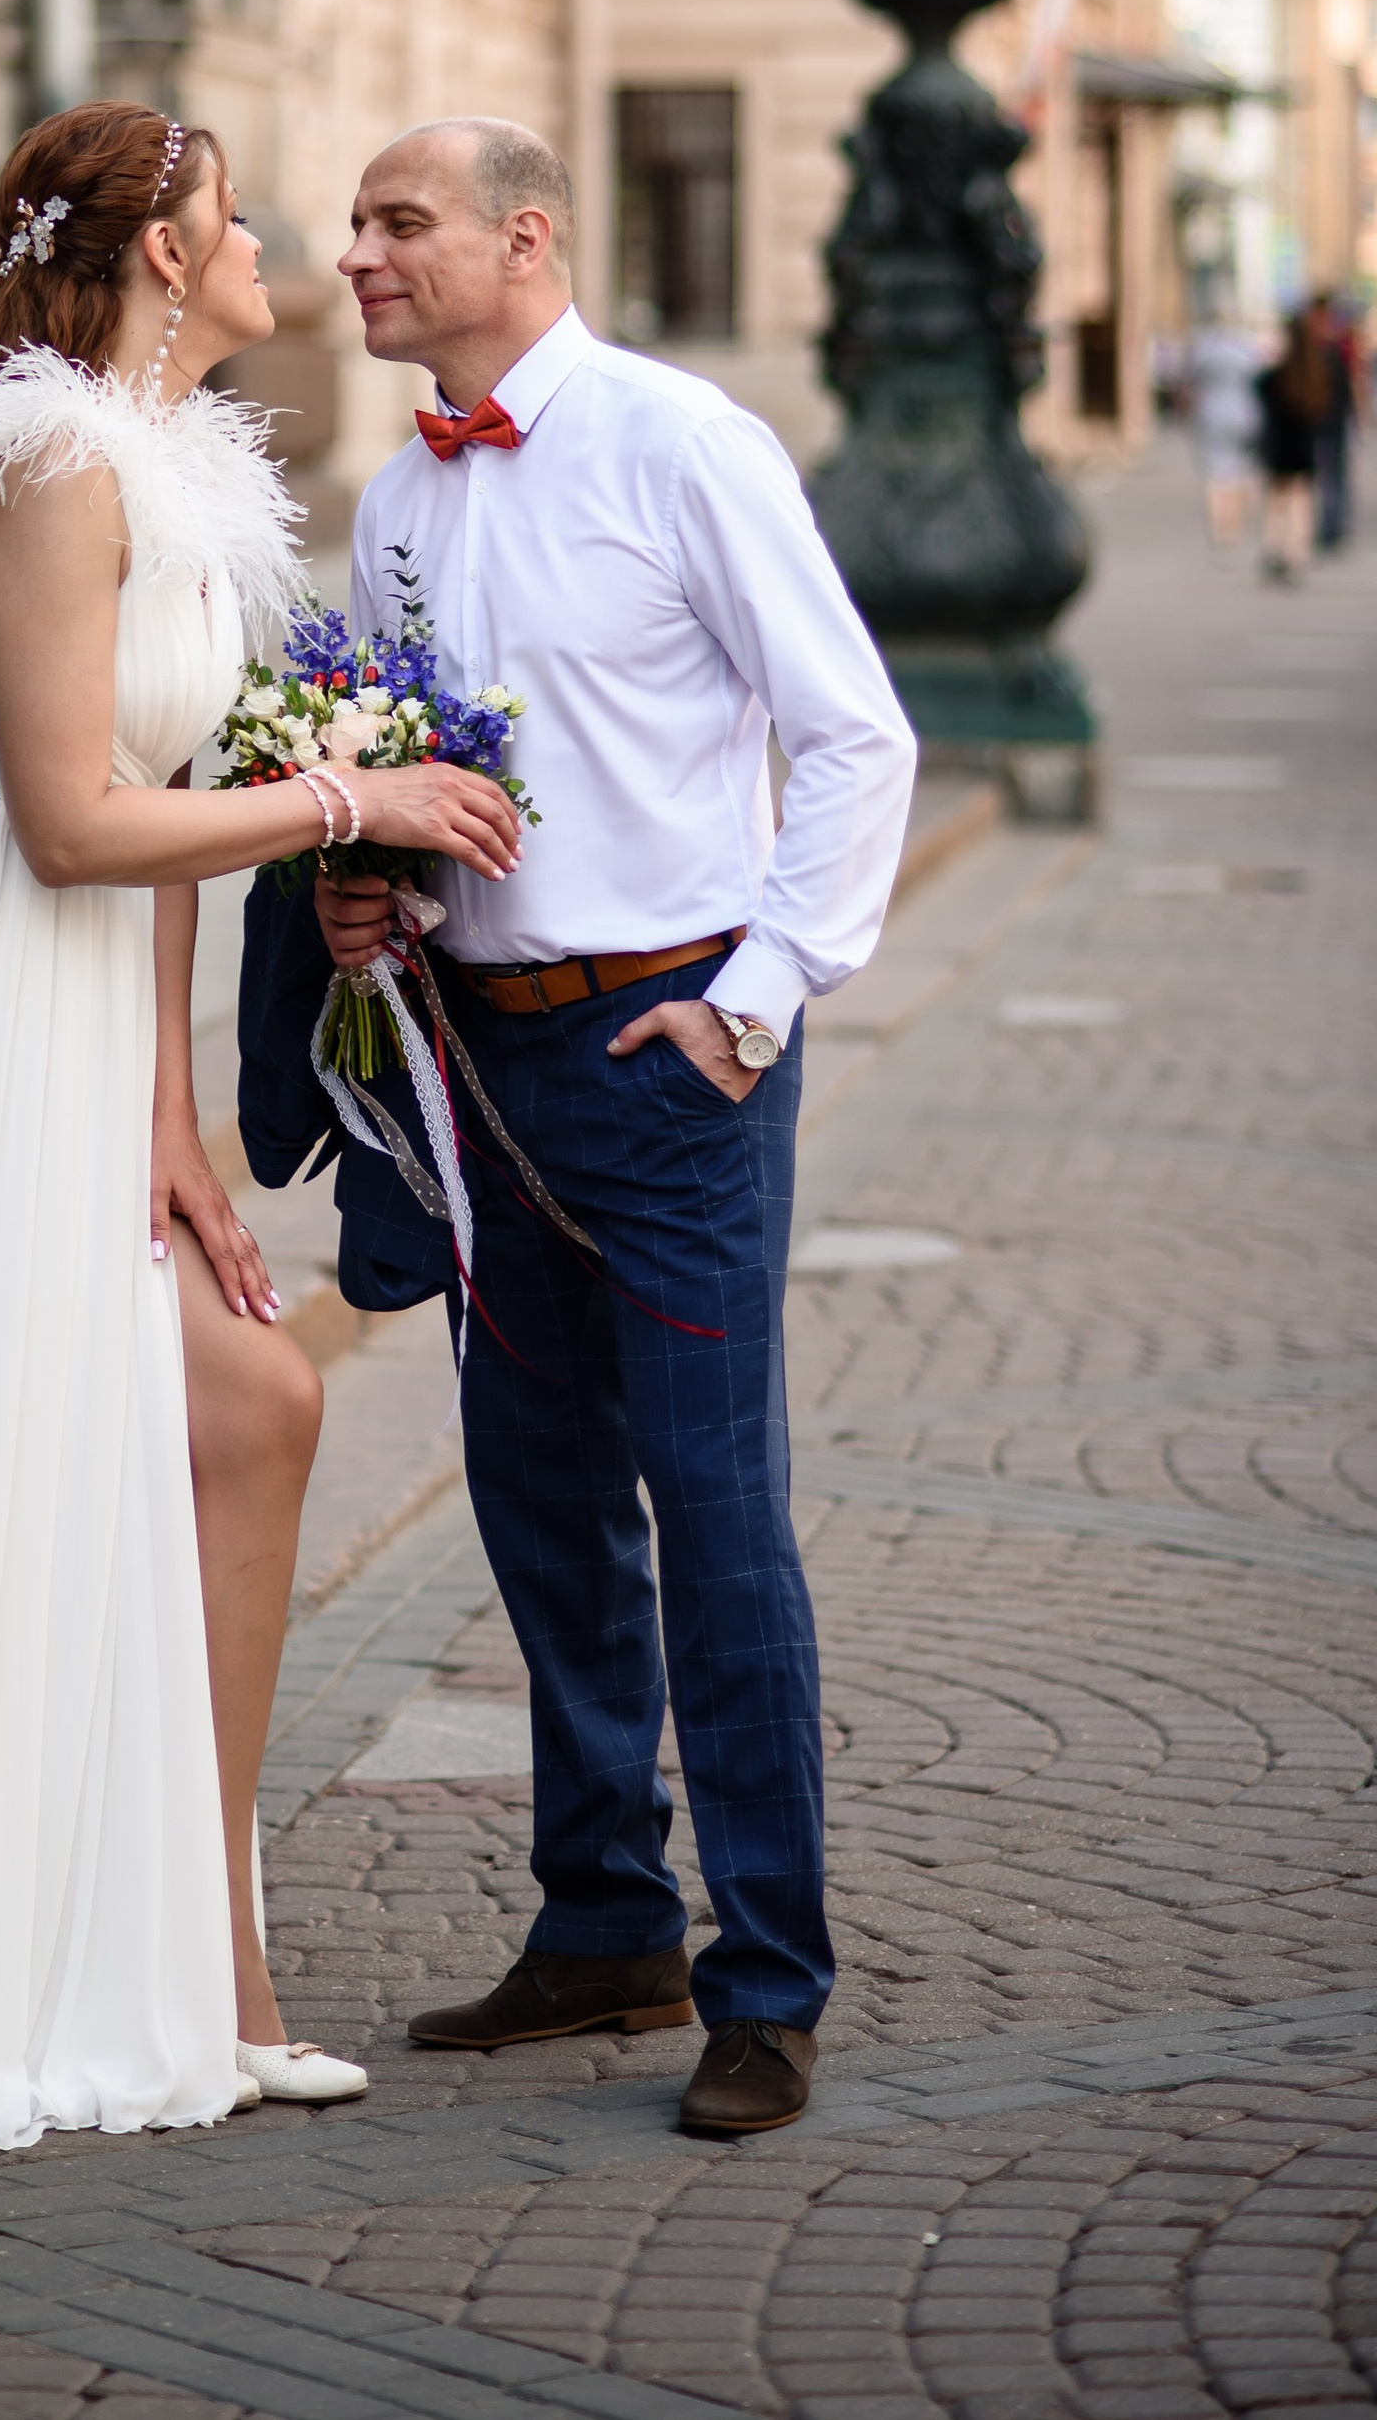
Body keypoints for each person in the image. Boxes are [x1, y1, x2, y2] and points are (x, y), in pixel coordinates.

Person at [0, 101, 523, 2148]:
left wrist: (162, 1104)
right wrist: (361, 802)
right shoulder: (50, 464)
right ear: (162, 254)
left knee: (249, 1404)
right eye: (242, 217)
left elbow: (166, 795)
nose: (278, 249)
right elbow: (76, 818)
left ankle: (205, 1956)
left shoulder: (177, 475)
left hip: (60, 1004)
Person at [300, 119, 917, 2142]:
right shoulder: (396, 492)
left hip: (668, 1067)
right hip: (477, 1066)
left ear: (521, 235)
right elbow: (422, 776)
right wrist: (364, 890)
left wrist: (750, 1008)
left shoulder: (679, 443)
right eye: (358, 224)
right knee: (535, 1500)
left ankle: (764, 1979)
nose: (357, 253)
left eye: (397, 222)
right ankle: (599, 1923)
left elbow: (849, 734)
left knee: (707, 1510)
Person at [1186, 316, 1264, 555]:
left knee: (1214, 475)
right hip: (1245, 415)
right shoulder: (1248, 350)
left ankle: (1219, 529)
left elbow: (1190, 381)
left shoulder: (1204, 349)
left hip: (1210, 415)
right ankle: (1234, 527)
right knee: (1240, 473)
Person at [1255, 310, 1323, 584]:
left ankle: (1274, 548)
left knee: (1277, 501)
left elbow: (1258, 390)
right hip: (1304, 444)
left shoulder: (1277, 375)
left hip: (1279, 445)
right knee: (1301, 501)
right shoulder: (1316, 373)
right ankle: (1298, 553)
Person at [1306, 289, 1358, 549]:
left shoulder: (1317, 341)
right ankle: (1332, 524)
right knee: (1331, 473)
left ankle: (1331, 524)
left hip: (1323, 417)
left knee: (1328, 473)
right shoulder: (1335, 340)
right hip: (1327, 417)